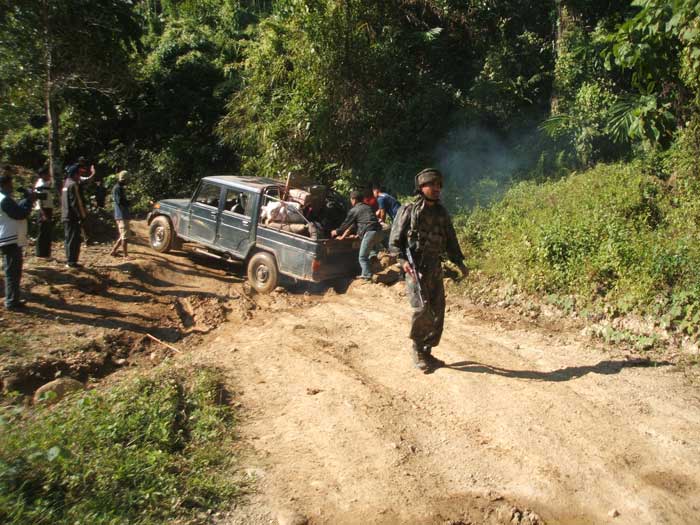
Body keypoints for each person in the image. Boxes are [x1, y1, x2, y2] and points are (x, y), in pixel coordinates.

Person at [389, 168, 469, 372]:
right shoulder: (409, 209)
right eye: (431, 184)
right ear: (421, 187)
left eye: (439, 185)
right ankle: (417, 348)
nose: (436, 188)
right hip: (414, 266)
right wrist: (401, 260)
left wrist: (459, 262)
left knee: (438, 310)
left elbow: (450, 239)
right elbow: (395, 240)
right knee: (422, 309)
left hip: (434, 266)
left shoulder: (441, 212)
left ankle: (427, 351)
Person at [0, 167, 34, 309]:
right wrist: (29, 201)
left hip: (6, 237)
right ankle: (12, 301)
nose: (12, 187)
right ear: (4, 185)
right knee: (13, 271)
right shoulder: (4, 200)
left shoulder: (3, 199)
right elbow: (20, 214)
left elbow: (15, 210)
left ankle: (13, 299)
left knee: (11, 270)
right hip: (10, 238)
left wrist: (25, 200)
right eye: (10, 184)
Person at [331, 190, 383, 280]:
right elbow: (352, 226)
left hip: (369, 232)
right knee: (369, 252)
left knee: (362, 257)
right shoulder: (367, 207)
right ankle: (372, 267)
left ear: (353, 200)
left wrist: (336, 232)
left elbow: (346, 224)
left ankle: (367, 275)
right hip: (379, 232)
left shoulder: (354, 210)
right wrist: (343, 237)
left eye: (351, 199)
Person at [61, 164, 87, 268]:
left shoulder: (66, 184)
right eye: (79, 174)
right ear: (75, 174)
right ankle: (72, 262)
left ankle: (69, 260)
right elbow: (76, 203)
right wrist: (82, 216)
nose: (80, 176)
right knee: (74, 239)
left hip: (66, 215)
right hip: (72, 217)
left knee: (69, 238)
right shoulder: (73, 185)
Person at [34, 166, 55, 258]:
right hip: (43, 210)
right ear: (42, 175)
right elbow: (40, 201)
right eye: (47, 174)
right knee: (42, 232)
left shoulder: (45, 183)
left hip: (47, 209)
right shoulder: (40, 185)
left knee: (47, 232)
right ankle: (40, 254)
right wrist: (43, 214)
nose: (49, 176)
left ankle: (46, 253)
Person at [110, 170, 131, 257]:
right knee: (125, 237)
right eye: (127, 179)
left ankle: (113, 251)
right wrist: (128, 202)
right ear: (124, 179)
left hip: (121, 214)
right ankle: (125, 256)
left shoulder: (118, 188)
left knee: (123, 235)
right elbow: (120, 201)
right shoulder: (118, 188)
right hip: (121, 214)